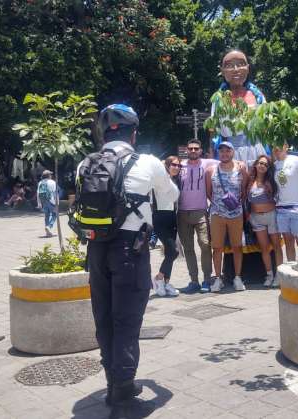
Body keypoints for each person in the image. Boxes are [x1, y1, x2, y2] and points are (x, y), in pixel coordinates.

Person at [84, 104, 177, 412]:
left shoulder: (85, 164)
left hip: (96, 249)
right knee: (127, 318)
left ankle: (112, 377)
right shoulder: (148, 162)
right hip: (130, 250)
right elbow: (169, 198)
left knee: (104, 315)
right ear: (133, 134)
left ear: (103, 133)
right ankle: (122, 386)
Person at [210, 49, 268, 166]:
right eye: (230, 66)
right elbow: (213, 132)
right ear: (222, 70)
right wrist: (212, 159)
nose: (236, 70)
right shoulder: (218, 99)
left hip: (258, 152)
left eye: (241, 64)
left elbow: (267, 129)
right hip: (229, 153)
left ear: (248, 67)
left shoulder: (259, 97)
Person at [206, 141, 249, 292]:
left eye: (227, 151)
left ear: (233, 152)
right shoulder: (211, 170)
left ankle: (237, 277)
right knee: (217, 248)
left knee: (237, 247)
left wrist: (235, 205)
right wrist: (220, 205)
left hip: (236, 214)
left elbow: (244, 191)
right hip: (217, 214)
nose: (224, 153)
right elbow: (208, 193)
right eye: (222, 151)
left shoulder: (241, 169)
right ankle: (218, 278)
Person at [177, 139, 217, 294]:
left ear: (201, 150)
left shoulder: (208, 163)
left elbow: (228, 160)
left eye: (196, 149)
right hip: (182, 213)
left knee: (205, 245)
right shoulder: (180, 165)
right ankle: (193, 280)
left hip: (201, 211)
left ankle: (207, 279)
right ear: (187, 150)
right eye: (190, 148)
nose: (193, 151)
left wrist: (239, 163)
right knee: (188, 248)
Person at [247, 155, 283, 287]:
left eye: (266, 164)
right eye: (260, 163)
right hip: (256, 218)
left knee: (277, 246)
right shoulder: (249, 180)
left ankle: (279, 275)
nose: (262, 166)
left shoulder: (272, 181)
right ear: (256, 164)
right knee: (264, 248)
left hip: (271, 216)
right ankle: (269, 275)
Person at [274, 143, 298, 262]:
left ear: (286, 146)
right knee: (288, 243)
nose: (276, 147)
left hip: (297, 207)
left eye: (279, 144)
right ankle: (292, 271)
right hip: (281, 209)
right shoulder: (274, 165)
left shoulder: (297, 160)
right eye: (273, 145)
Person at [152, 156, 182, 297]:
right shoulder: (159, 179)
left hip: (172, 218)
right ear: (167, 165)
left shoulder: (176, 180)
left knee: (170, 252)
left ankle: (166, 282)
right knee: (173, 251)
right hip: (159, 218)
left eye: (178, 165)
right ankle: (158, 278)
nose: (176, 167)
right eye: (173, 165)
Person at [36, 170, 57, 237]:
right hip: (51, 201)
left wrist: (39, 203)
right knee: (54, 214)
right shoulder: (52, 182)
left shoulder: (40, 183)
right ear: (49, 176)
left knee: (46, 216)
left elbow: (38, 193)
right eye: (50, 174)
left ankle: (48, 232)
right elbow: (55, 193)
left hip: (44, 201)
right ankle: (49, 227)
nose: (51, 176)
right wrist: (57, 202)